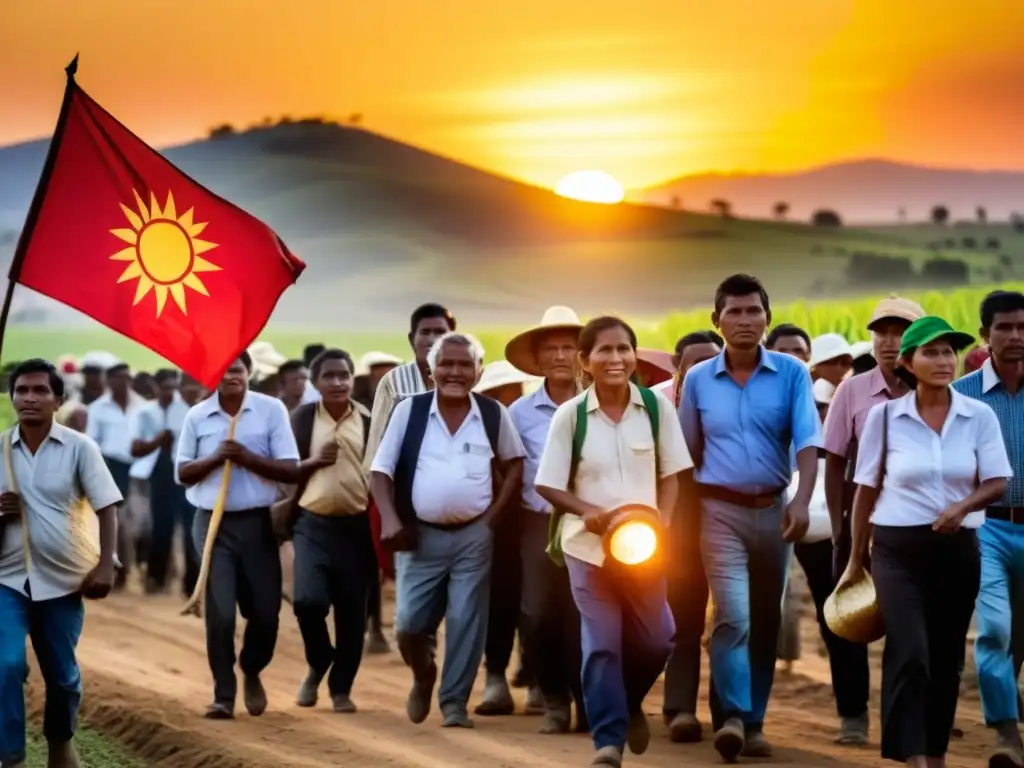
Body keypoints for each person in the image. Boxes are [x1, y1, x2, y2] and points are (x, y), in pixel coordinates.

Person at [846, 316, 1011, 767]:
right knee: (911, 649)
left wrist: (963, 507)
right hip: (897, 552)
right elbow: (865, 490)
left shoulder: (978, 415)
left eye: (949, 352)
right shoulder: (884, 418)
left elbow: (998, 479)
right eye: (931, 352)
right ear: (907, 362)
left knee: (945, 659)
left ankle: (934, 751)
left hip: (957, 551)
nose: (944, 361)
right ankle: (911, 753)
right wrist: (855, 559)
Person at [536, 316, 688, 768]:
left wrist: (665, 524)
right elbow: (548, 485)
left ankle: (626, 700)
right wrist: (587, 512)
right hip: (589, 549)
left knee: (659, 640)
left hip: (645, 547)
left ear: (634, 355)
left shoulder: (657, 410)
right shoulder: (571, 416)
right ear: (586, 360)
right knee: (602, 644)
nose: (616, 358)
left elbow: (672, 477)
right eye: (604, 350)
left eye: (624, 349)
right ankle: (608, 742)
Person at [680, 274, 821, 762]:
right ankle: (736, 717)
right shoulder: (697, 380)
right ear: (715, 321)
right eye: (734, 312)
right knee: (732, 616)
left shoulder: (792, 374)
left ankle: (754, 721)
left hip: (775, 511)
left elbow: (807, 440)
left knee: (765, 619)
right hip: (717, 512)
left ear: (768, 315)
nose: (745, 321)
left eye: (754, 311)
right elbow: (687, 453)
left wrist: (802, 500)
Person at [370, 332, 525, 729]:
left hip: (475, 536)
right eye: (446, 364)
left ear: (479, 371)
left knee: (466, 621)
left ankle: (454, 702)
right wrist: (390, 518)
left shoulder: (492, 413)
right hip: (419, 536)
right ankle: (424, 675)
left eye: (464, 365)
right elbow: (381, 471)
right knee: (408, 626)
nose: (455, 372)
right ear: (431, 369)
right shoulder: (410, 411)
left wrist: (491, 520)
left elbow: (514, 467)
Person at [0, 359, 121, 768]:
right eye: (22, 391)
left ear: (59, 400)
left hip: (64, 582)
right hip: (7, 579)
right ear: (11, 396)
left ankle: (60, 744)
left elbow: (107, 506)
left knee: (63, 677)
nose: (29, 398)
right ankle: (10, 756)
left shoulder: (80, 448)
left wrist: (107, 564)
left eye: (40, 391)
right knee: (6, 664)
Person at [820, 295, 924, 744]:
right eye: (880, 332)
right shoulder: (852, 389)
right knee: (848, 619)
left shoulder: (935, 388)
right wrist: (840, 529)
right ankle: (853, 716)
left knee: (910, 627)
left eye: (899, 331)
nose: (888, 341)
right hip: (860, 524)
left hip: (917, 528)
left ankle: (906, 719)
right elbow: (834, 460)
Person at [175, 352, 300, 719]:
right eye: (223, 369)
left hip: (258, 523)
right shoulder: (197, 415)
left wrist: (246, 458)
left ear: (249, 372)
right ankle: (223, 694)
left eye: (237, 369)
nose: (231, 375)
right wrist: (216, 458)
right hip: (212, 524)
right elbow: (183, 472)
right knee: (221, 613)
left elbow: (291, 469)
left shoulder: (271, 410)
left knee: (266, 612)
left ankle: (252, 667)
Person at [506, 306, 587, 733]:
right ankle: (554, 699)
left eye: (569, 347)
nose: (560, 356)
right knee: (538, 613)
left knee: (584, 616)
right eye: (551, 349)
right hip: (537, 524)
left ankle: (588, 704)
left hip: (591, 525)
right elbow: (511, 471)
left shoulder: (600, 405)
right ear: (537, 361)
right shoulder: (518, 413)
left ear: (583, 354)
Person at [952, 291, 1024, 766]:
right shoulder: (963, 396)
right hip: (988, 530)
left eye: (1023, 327)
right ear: (985, 335)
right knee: (995, 630)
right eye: (1005, 328)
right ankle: (1005, 735)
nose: (1016, 337)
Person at [287, 350, 374, 714]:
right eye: (329, 376)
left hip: (358, 527)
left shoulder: (370, 420)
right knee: (307, 601)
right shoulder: (303, 418)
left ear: (353, 380)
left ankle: (341, 690)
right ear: (316, 382)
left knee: (353, 615)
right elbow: (286, 466)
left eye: (344, 375)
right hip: (312, 523)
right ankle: (319, 658)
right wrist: (313, 462)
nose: (337, 382)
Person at [662, 330, 723, 743]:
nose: (702, 371)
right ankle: (680, 710)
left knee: (729, 621)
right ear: (676, 366)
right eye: (693, 363)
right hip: (677, 524)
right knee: (683, 619)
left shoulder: (733, 401)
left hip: (726, 518)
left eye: (711, 363)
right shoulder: (655, 405)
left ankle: (729, 715)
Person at [131, 369, 195, 596]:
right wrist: (159, 439)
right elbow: (136, 447)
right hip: (159, 474)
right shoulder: (145, 412)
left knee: (190, 529)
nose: (170, 391)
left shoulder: (187, 409)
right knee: (161, 528)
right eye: (165, 386)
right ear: (156, 387)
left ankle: (192, 584)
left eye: (173, 386)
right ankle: (156, 578)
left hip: (185, 475)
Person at [86, 362, 144, 590]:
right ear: (109, 381)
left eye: (126, 377)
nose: (123, 381)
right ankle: (118, 569)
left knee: (138, 522)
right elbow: (92, 443)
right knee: (115, 521)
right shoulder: (98, 408)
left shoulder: (142, 406)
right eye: (118, 377)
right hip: (111, 467)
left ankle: (133, 566)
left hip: (141, 467)